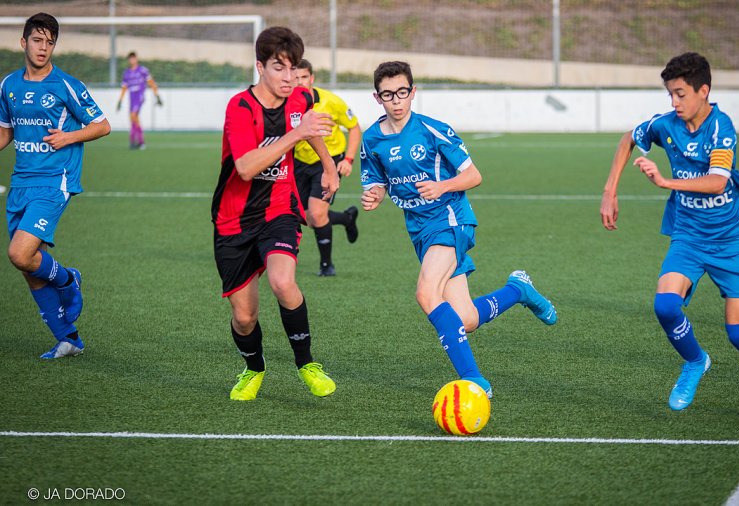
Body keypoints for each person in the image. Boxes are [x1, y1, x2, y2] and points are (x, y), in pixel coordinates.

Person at [600, 52, 739, 423]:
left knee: (738, 333)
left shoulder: (721, 128)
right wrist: (610, 190)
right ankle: (696, 361)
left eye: (681, 94)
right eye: (670, 94)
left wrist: (666, 181)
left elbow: (718, 181)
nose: (674, 102)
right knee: (665, 306)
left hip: (732, 239)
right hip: (688, 234)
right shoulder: (666, 125)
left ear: (704, 91)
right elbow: (627, 139)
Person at [359, 61, 557, 399]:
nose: (396, 100)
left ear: (413, 92)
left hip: (450, 219)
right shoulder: (372, 138)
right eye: (388, 94)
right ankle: (518, 290)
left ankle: (475, 380)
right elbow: (376, 181)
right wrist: (374, 196)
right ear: (377, 98)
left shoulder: (432, 130)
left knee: (426, 293)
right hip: (419, 231)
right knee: (464, 320)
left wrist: (442, 186)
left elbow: (474, 175)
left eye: (402, 92)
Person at [212, 26, 340, 401]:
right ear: (259, 67)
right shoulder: (240, 107)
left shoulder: (301, 97)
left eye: (293, 68)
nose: (288, 77)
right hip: (232, 220)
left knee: (283, 282)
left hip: (279, 209)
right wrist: (295, 135)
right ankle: (253, 369)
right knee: (245, 316)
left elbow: (310, 128)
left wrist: (329, 166)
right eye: (278, 68)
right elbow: (247, 167)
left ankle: (307, 364)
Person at [0, 13, 111, 359]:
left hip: (54, 182)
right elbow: (5, 131)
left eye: (49, 42)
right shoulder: (8, 86)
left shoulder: (66, 85)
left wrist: (69, 136)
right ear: (23, 42)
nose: (43, 48)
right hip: (20, 183)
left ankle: (67, 280)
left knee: (19, 253)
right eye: (37, 40)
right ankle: (68, 339)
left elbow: (102, 125)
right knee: (29, 264)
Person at [293, 59, 360, 276]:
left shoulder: (331, 102)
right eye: (295, 77)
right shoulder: (288, 102)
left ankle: (326, 265)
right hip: (300, 162)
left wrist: (348, 159)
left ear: (311, 78)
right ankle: (346, 218)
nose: (299, 82)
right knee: (306, 217)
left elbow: (355, 128)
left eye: (304, 77)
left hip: (328, 161)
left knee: (317, 213)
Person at [116, 51, 162, 150]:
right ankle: (134, 142)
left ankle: (140, 142)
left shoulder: (142, 70)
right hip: (132, 97)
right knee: (133, 118)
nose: (132, 60)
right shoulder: (126, 73)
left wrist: (157, 95)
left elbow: (151, 82)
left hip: (139, 96)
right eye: (130, 58)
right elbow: (124, 88)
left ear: (136, 58)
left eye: (133, 58)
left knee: (133, 115)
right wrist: (120, 100)